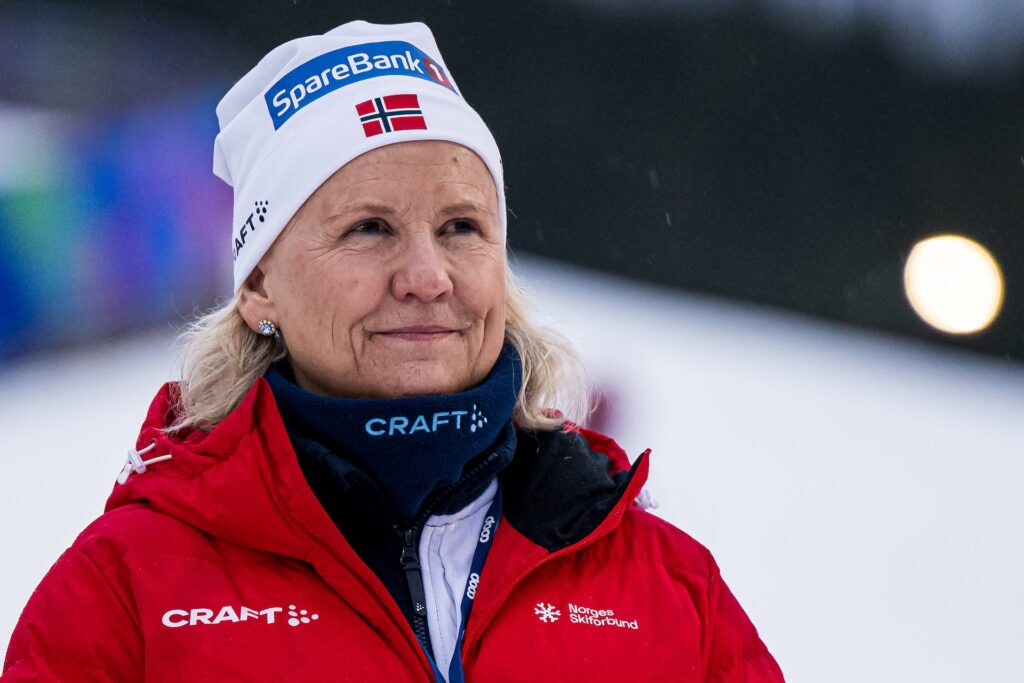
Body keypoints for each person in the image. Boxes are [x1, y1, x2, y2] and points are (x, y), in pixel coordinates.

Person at [3, 21, 784, 682]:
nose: (426, 277)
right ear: (258, 286)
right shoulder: (129, 592)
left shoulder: (668, 590)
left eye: (462, 228)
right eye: (368, 228)